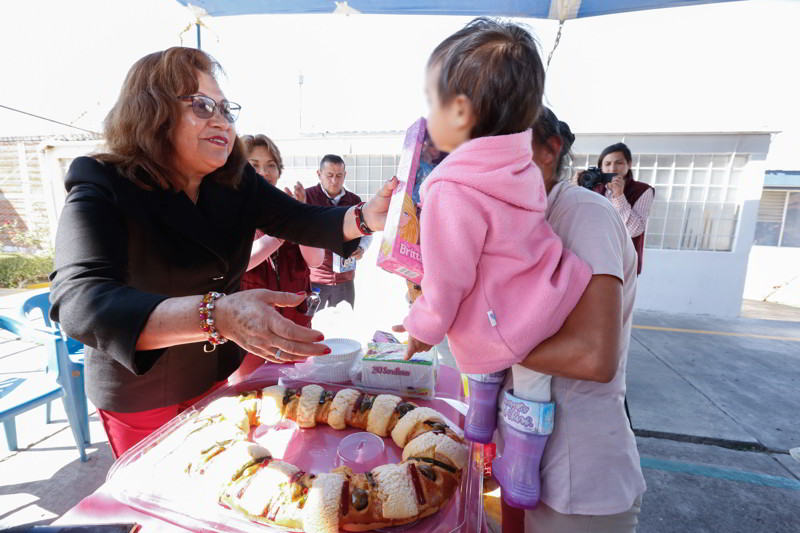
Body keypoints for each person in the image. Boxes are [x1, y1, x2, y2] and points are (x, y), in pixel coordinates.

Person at [48, 47, 396, 457]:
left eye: (226, 108)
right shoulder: (105, 182)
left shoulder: (234, 181)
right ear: (151, 112)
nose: (221, 120)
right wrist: (218, 315)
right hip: (139, 389)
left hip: (213, 371)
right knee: (160, 503)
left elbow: (301, 219)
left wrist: (366, 216)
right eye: (200, 105)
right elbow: (79, 302)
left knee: (217, 482)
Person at [401, 18, 593, 506]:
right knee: (532, 384)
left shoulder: (451, 188)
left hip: (498, 321)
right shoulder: (523, 166)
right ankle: (522, 469)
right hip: (544, 298)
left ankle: (481, 417)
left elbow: (447, 282)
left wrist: (421, 325)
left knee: (475, 330)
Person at [499, 107, 646, 532]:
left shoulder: (585, 214)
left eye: (501, 142)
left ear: (549, 150)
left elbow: (594, 358)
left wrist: (486, 338)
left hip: (578, 479)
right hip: (524, 452)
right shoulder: (520, 220)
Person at [231, 134, 325, 382]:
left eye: (271, 165)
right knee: (249, 398)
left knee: (299, 398)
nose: (265, 172)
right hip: (250, 333)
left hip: (295, 326)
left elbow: (315, 260)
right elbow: (239, 263)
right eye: (254, 165)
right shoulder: (229, 211)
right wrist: (280, 235)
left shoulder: (288, 208)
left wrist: (302, 219)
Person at [305, 154, 373, 309]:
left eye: (339, 176)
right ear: (319, 174)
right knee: (308, 325)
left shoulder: (355, 201)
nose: (334, 181)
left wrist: (362, 248)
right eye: (329, 175)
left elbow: (367, 231)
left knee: (345, 323)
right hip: (315, 279)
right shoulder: (307, 197)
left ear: (345, 175)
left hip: (345, 279)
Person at [598, 142, 654, 275]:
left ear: (629, 164)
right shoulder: (594, 188)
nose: (613, 168)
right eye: (607, 164)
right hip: (594, 257)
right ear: (601, 167)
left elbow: (634, 230)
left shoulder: (643, 190)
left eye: (619, 163)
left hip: (624, 262)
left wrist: (619, 195)